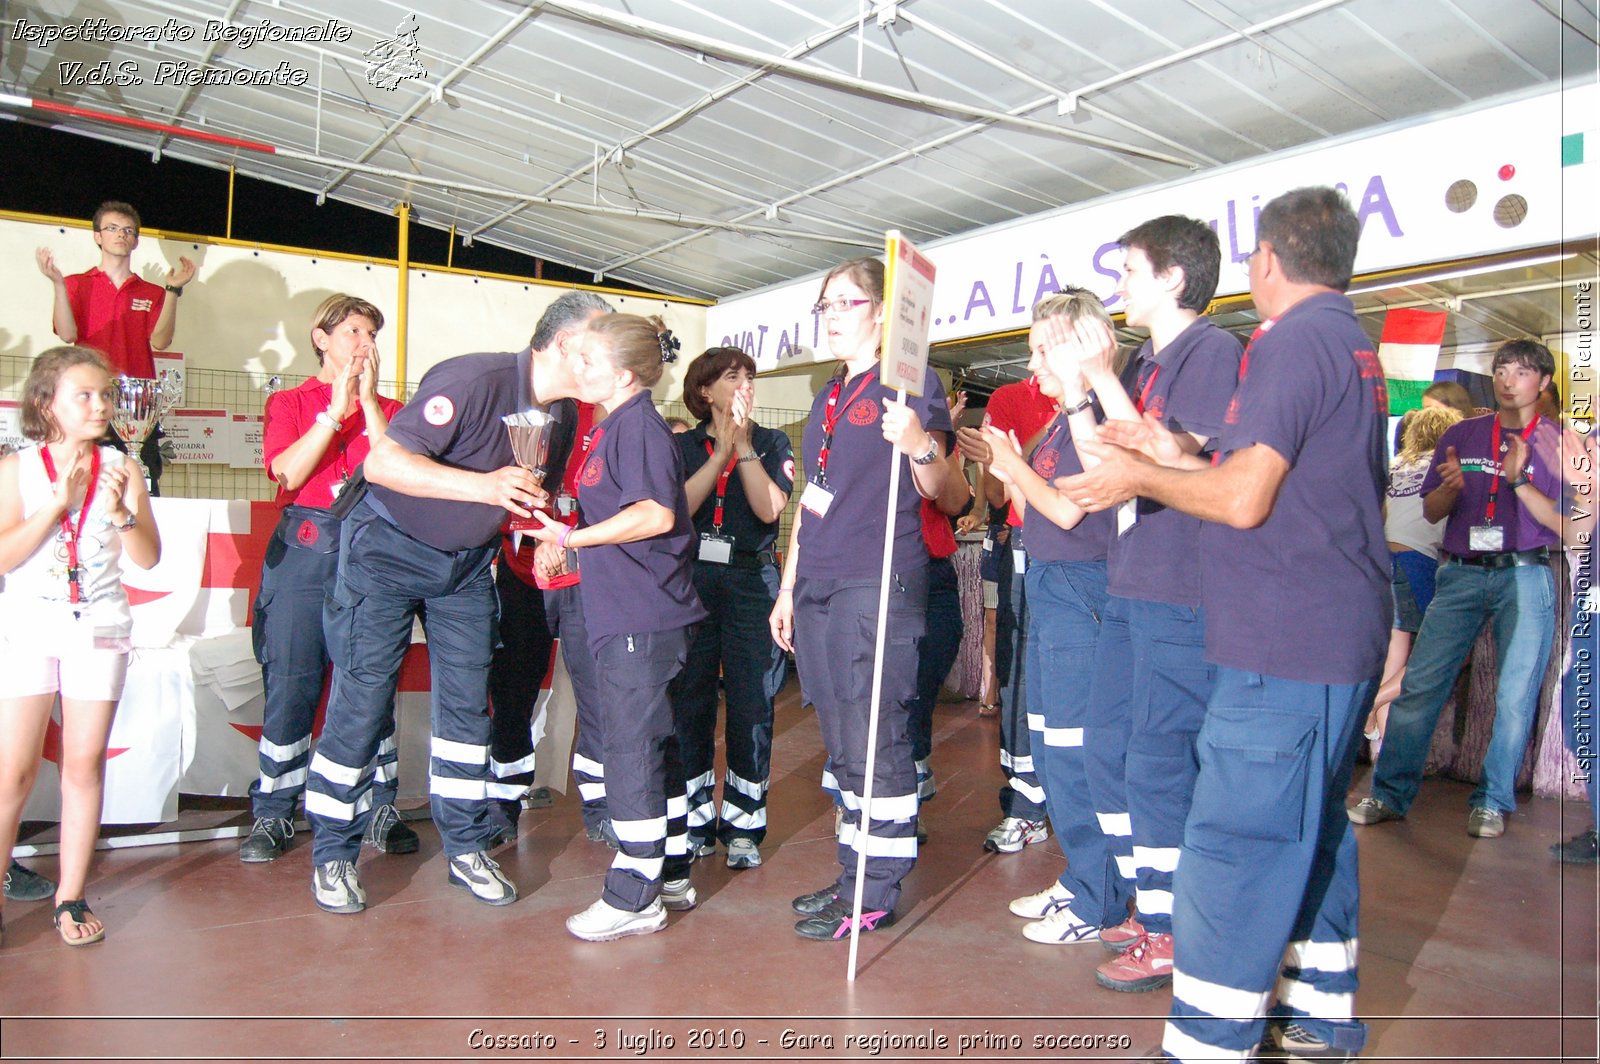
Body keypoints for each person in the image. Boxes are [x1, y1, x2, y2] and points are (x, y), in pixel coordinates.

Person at [1057, 186, 1388, 1061]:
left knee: (1234, 849)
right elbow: (1253, 469)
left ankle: (1207, 1040)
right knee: (1309, 829)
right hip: (1327, 634)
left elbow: (1242, 500)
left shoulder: (1288, 342)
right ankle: (1319, 1012)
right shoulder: (1346, 340)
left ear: (1269, 261)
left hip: (1285, 640)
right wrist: (1176, 454)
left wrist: (1144, 480)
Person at [302, 289, 612, 916]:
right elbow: (385, 463)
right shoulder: (474, 378)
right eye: (598, 345)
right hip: (386, 553)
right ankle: (333, 850)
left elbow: (529, 498)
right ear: (561, 345)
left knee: (469, 709)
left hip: (468, 568)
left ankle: (466, 844)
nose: (608, 359)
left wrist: (549, 535)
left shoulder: (569, 415)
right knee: (363, 698)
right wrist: (483, 486)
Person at [1062, 215, 1243, 993]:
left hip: (1183, 584)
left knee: (1161, 757)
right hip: (1130, 578)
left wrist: (1102, 378)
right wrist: (1079, 394)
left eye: (1131, 271)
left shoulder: (1212, 350)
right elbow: (1103, 463)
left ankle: (1172, 926)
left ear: (1173, 278)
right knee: (1107, 746)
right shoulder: (1140, 360)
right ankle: (1153, 902)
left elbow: (1175, 453)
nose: (1120, 286)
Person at [770, 256, 953, 940]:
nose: (831, 316)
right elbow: (810, 506)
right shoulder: (826, 396)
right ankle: (853, 875)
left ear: (881, 313)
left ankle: (875, 891)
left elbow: (941, 491)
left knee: (875, 736)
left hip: (875, 581)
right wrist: (787, 588)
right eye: (824, 305)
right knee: (843, 744)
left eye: (845, 303)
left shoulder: (910, 384)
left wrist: (919, 444)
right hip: (817, 582)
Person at [526, 315, 708, 941]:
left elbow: (655, 514)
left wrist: (574, 537)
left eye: (589, 362)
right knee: (661, 746)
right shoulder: (615, 426)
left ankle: (634, 894)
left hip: (641, 615)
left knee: (630, 751)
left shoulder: (638, 429)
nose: (576, 369)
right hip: (640, 611)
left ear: (625, 373)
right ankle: (673, 870)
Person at [1350, 338, 1562, 839]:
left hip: (1526, 571)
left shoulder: (1560, 443)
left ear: (1544, 382)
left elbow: (1567, 524)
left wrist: (1517, 484)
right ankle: (1388, 792)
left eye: (1522, 371)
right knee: (1423, 683)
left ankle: (1491, 801)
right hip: (1461, 570)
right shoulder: (1464, 434)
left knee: (1514, 695)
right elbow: (1431, 511)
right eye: (1502, 370)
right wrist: (1449, 489)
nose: (1510, 379)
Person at [239, 296, 411, 863]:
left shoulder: (388, 407)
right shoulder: (289, 401)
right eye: (354, 331)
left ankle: (378, 805)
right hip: (307, 551)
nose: (365, 343)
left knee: (370, 682)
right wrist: (334, 414)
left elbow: (397, 471)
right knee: (291, 678)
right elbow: (287, 470)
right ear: (321, 337)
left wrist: (366, 404)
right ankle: (275, 810)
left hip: (371, 554)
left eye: (371, 334)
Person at [0, 347, 161, 946]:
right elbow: (4, 556)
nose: (101, 407)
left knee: (83, 764)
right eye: (84, 396)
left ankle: (71, 896)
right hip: (29, 624)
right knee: (12, 770)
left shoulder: (124, 466)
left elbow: (147, 557)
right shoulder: (17, 468)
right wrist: (55, 507)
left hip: (101, 624)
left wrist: (121, 512)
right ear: (47, 404)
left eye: (106, 396)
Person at [983, 289, 1125, 955]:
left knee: (1072, 750)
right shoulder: (1064, 424)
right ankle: (1082, 875)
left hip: (1079, 588)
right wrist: (1013, 470)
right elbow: (1038, 506)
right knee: (1046, 743)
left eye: (1044, 348)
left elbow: (1072, 512)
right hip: (1047, 583)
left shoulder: (1093, 417)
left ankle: (1101, 895)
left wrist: (1013, 466)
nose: (1031, 361)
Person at [669, 347, 793, 869]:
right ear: (704, 391)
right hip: (694, 578)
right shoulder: (680, 446)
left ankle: (744, 822)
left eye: (749, 376)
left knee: (751, 702)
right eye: (731, 376)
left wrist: (741, 447)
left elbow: (770, 508)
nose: (744, 384)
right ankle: (695, 819)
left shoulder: (771, 441)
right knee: (690, 700)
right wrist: (717, 453)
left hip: (750, 578)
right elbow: (677, 510)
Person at [957, 377, 1058, 853]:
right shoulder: (1012, 399)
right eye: (1034, 350)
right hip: (1024, 543)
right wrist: (1052, 427)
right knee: (1019, 671)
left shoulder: (1112, 391)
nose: (1037, 361)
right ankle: (1025, 805)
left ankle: (1073, 804)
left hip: (1095, 555)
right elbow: (996, 494)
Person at [527, 400, 618, 848]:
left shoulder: (617, 422)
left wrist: (568, 541)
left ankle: (600, 807)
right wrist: (535, 535)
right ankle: (500, 801)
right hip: (525, 567)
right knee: (515, 690)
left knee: (597, 697)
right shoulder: (534, 411)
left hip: (585, 576)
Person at [1362, 405, 1464, 754]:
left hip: (1380, 560)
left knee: (1395, 649)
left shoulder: (1395, 466)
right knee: (1437, 653)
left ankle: (1381, 750)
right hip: (1417, 560)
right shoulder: (1445, 469)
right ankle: (1374, 703)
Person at [36, 201, 196, 379]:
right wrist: (58, 284)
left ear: (135, 241)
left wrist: (173, 290)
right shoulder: (75, 284)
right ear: (98, 236)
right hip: (91, 389)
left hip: (136, 395)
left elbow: (161, 342)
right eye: (112, 228)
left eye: (128, 230)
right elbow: (67, 335)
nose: (121, 234)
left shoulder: (152, 292)